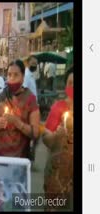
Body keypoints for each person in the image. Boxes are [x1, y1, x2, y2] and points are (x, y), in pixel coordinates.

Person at [0, 60, 40, 157]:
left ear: (23, 77)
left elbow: (35, 133)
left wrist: (17, 122)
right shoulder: (2, 96)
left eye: (16, 75)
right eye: (9, 75)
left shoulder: (30, 99)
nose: (11, 78)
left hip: (19, 157)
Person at [42, 66, 73, 211]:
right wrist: (56, 135)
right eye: (70, 83)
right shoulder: (58, 108)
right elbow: (46, 138)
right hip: (57, 174)